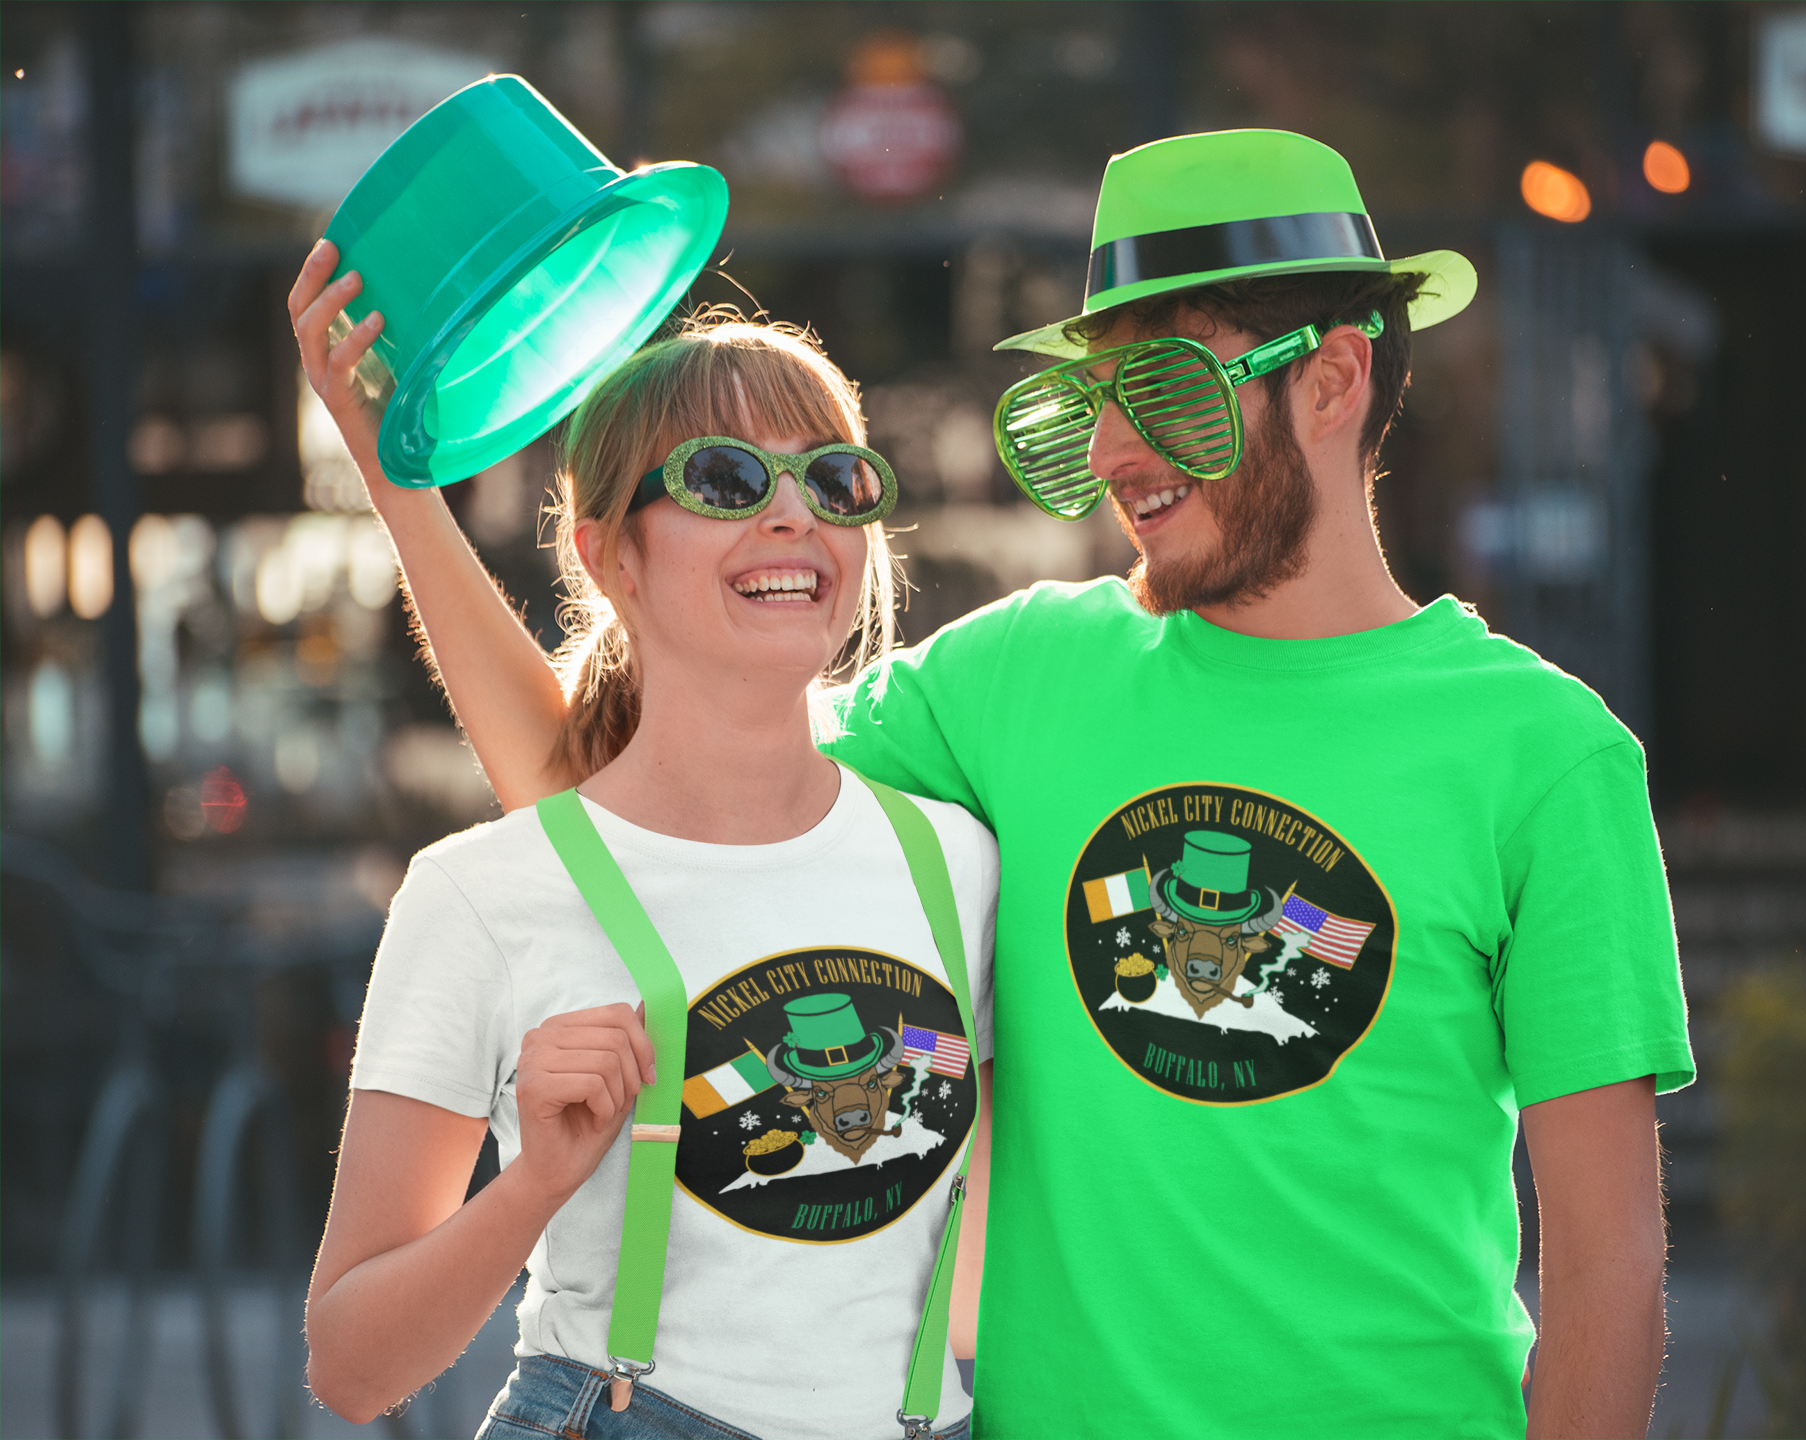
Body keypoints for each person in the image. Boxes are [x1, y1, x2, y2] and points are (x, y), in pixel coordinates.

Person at [328, 130, 1694, 1440]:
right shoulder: (1018, 680)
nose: (1107, 457)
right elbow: (604, 797)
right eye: (1086, 406)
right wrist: (407, 495)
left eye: (1161, 393)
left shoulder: (1549, 756)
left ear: (1330, 383)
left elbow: (1606, 1268)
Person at [290, 248, 997, 1440]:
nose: (793, 513)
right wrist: (534, 1186)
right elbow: (352, 1367)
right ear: (609, 553)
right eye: (725, 479)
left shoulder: (957, 864)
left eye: (835, 478)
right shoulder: (483, 896)